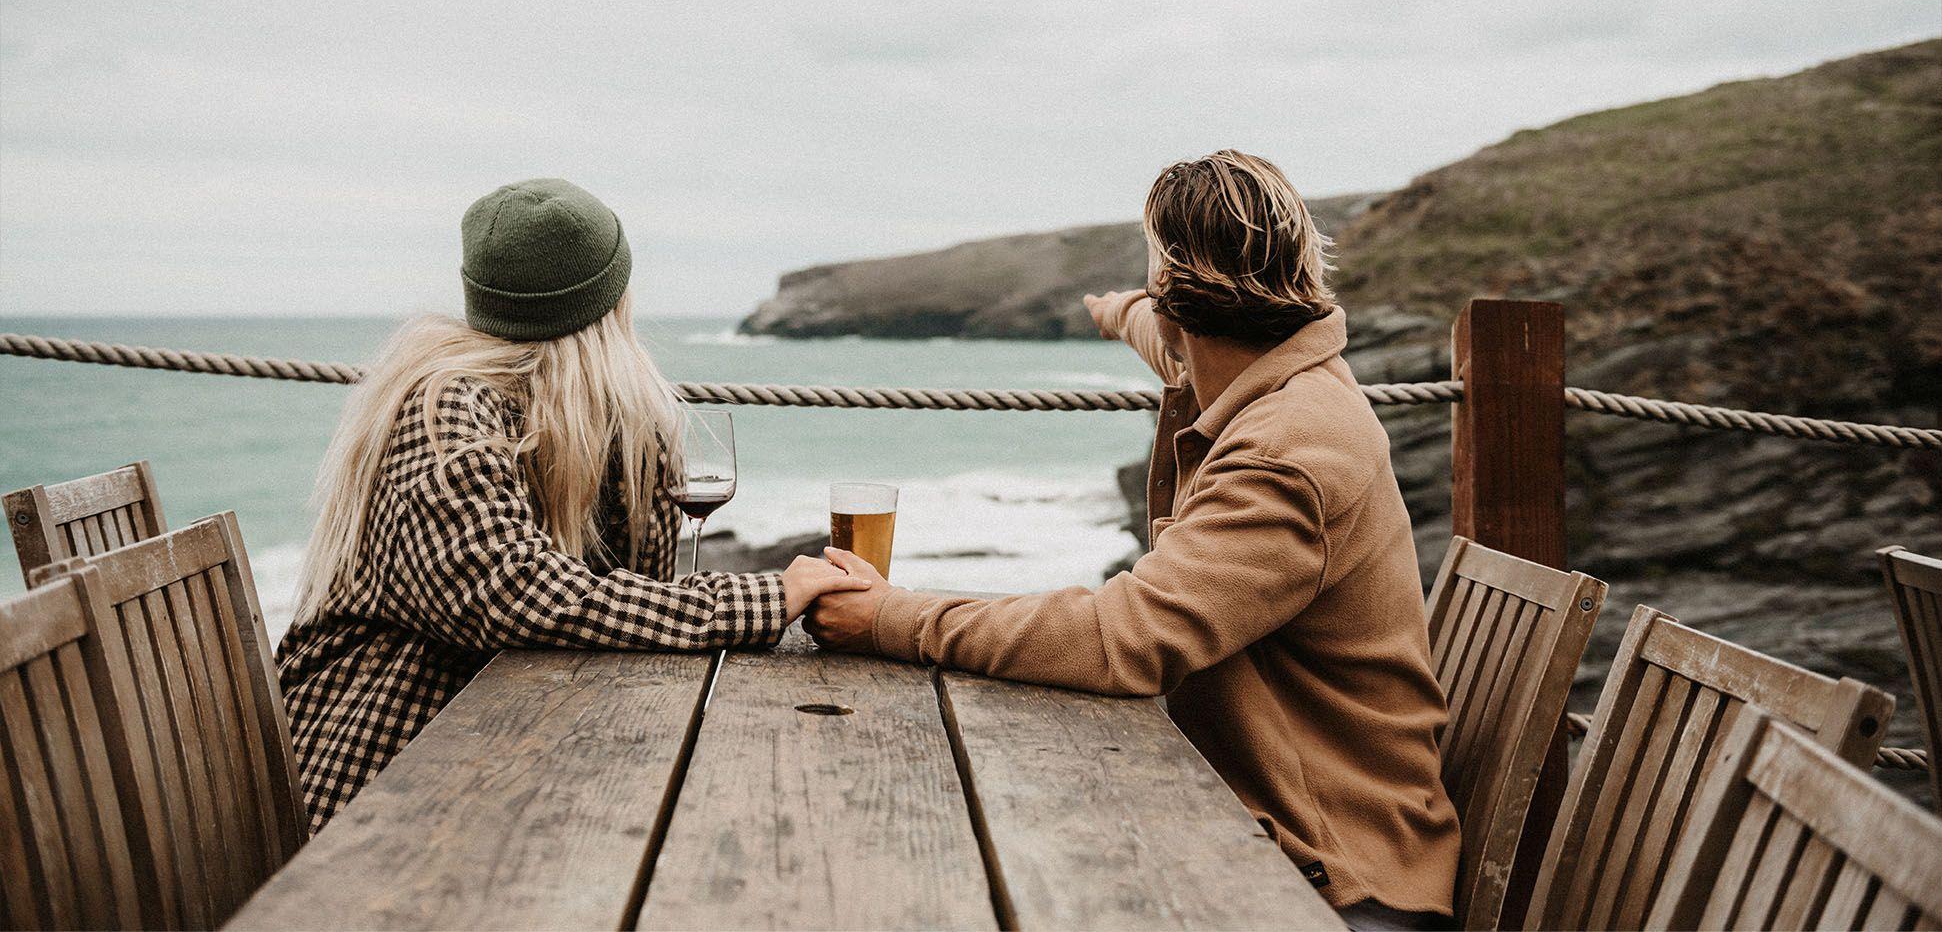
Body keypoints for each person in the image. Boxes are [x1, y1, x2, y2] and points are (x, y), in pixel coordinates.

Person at [809, 151, 1461, 929]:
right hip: (1280, 820)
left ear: (1180, 286)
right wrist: (1116, 308)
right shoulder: (1276, 370)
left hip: (1339, 879)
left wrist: (890, 616)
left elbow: (1121, 637)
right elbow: (1162, 335)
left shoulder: (1288, 451)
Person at [277, 177, 866, 828]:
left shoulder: (619, 426)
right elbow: (514, 593)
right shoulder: (443, 407)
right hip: (377, 780)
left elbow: (634, 602)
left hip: (515, 758)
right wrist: (761, 599)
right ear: (613, 300)